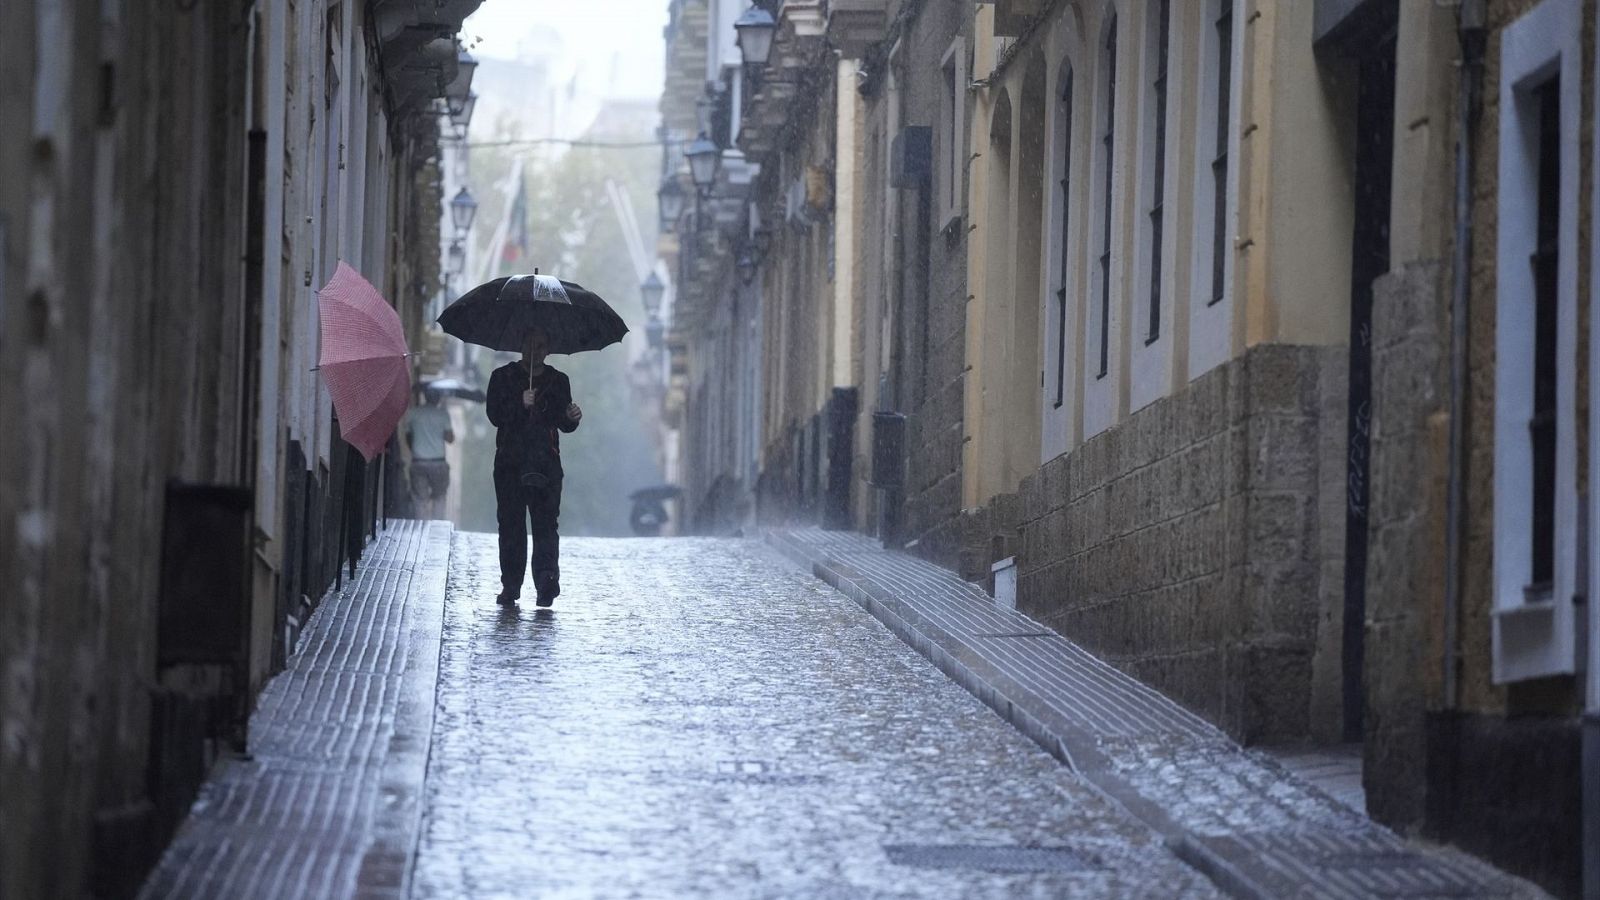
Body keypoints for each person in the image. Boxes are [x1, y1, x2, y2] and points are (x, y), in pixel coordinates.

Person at [486, 328, 582, 607]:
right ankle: (511, 585)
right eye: (529, 344)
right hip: (509, 464)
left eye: (540, 345)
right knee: (511, 525)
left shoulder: (558, 381)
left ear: (548, 350)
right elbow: (494, 415)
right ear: (521, 347)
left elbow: (563, 423)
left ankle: (546, 583)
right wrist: (519, 403)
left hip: (546, 464)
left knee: (545, 526)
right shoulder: (502, 377)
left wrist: (572, 417)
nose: (535, 350)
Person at [404, 386, 455, 520]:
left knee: (420, 500)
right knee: (439, 497)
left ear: (425, 396)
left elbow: (408, 437)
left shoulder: (413, 413)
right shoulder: (443, 414)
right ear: (438, 398)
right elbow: (450, 439)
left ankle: (420, 527)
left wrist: (416, 450)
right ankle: (437, 527)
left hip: (419, 462)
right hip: (438, 463)